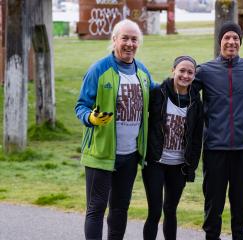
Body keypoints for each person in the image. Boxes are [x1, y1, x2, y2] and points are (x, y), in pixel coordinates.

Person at [75, 19, 157, 240]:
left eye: (134, 39)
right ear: (114, 40)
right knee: (96, 209)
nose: (129, 43)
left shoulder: (142, 72)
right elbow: (80, 106)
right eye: (125, 38)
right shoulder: (98, 69)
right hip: (100, 154)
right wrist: (90, 118)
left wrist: (183, 81)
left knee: (120, 209)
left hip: (129, 155)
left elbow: (158, 94)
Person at [193, 22, 243, 240]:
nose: (231, 42)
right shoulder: (205, 71)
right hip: (214, 149)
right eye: (227, 38)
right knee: (213, 205)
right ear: (220, 42)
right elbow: (181, 89)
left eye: (236, 38)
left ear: (240, 43)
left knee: (241, 208)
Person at [142, 56, 203, 240]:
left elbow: (196, 139)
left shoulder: (195, 102)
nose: (185, 75)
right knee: (154, 211)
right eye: (181, 71)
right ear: (173, 71)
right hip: (155, 162)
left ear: (194, 75)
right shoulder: (158, 94)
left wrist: (191, 167)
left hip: (178, 165)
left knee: (170, 210)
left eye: (190, 72)